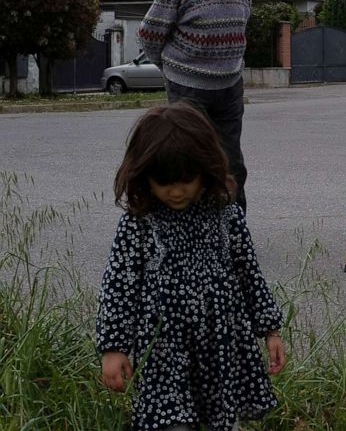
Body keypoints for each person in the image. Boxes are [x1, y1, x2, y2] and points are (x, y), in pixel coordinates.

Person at [97, 103, 285, 430]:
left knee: (221, 421)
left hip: (222, 346)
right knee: (171, 423)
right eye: (164, 181)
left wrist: (269, 329)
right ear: (144, 174)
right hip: (163, 353)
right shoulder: (139, 223)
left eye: (186, 179)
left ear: (206, 167)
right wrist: (113, 347)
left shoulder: (225, 214)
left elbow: (249, 274)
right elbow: (118, 287)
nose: (176, 190)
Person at [137, 0, 253, 211]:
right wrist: (172, 71)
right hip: (188, 88)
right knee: (188, 162)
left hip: (229, 88)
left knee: (232, 164)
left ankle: (233, 229)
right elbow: (150, 32)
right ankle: (189, 229)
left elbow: (241, 28)